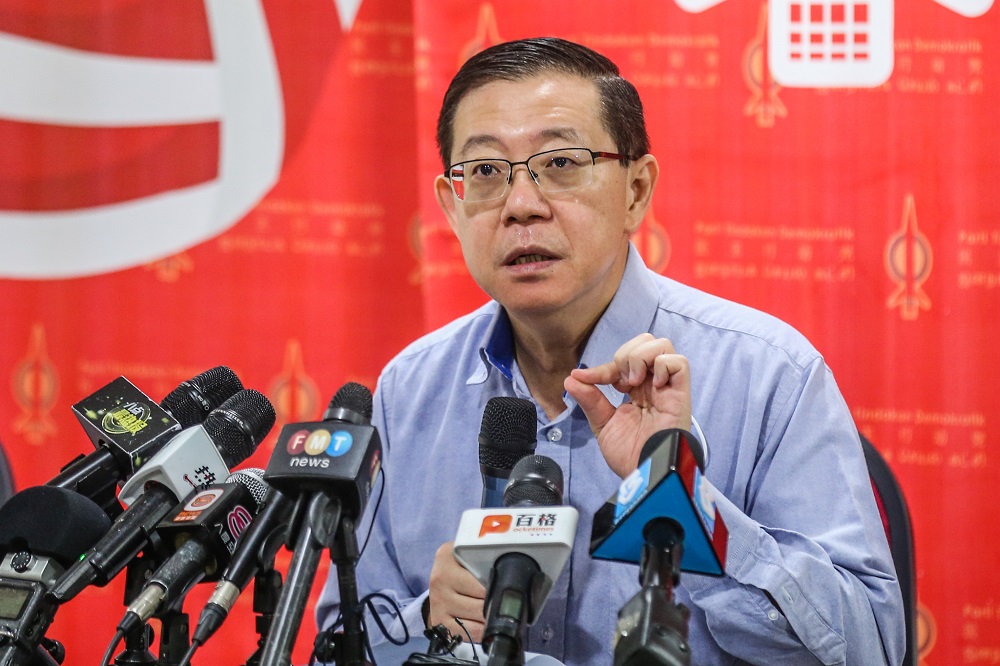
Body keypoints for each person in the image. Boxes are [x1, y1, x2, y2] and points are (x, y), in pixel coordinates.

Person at [316, 37, 903, 665]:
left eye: (561, 164)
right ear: (452, 206)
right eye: (486, 172)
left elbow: (870, 644)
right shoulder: (410, 388)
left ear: (636, 190)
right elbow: (335, 644)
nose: (521, 205)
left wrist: (679, 501)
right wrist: (422, 621)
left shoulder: (768, 375)